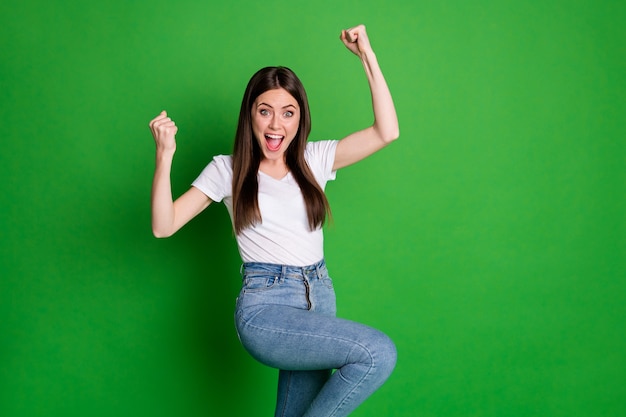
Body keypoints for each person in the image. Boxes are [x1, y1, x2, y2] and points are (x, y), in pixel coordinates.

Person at [149, 24, 399, 417]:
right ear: (250, 115)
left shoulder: (314, 161)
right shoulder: (226, 170)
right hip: (265, 309)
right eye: (265, 111)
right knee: (376, 353)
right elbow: (164, 225)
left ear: (300, 118)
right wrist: (165, 156)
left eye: (288, 112)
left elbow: (387, 131)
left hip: (319, 295)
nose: (275, 125)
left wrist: (367, 54)